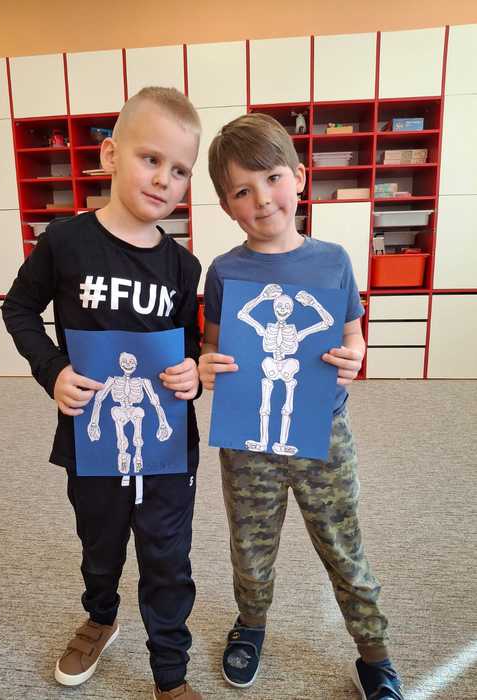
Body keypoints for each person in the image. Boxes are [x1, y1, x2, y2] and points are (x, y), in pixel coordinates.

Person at [2, 86, 204, 700]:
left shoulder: (183, 267)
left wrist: (193, 374)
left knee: (167, 555)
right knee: (100, 542)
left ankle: (170, 674)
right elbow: (18, 310)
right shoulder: (65, 242)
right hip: (92, 439)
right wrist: (53, 370)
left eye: (180, 170)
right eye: (151, 159)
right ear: (111, 154)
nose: (164, 179)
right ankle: (101, 615)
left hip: (167, 446)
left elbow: (190, 348)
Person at [198, 113, 403, 700]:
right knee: (250, 543)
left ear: (300, 177)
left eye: (272, 178)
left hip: (323, 431)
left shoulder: (333, 260)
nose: (262, 199)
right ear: (227, 206)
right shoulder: (225, 271)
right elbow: (213, 347)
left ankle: (374, 652)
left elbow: (353, 335)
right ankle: (251, 624)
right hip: (248, 440)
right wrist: (208, 366)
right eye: (242, 191)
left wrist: (354, 356)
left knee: (342, 542)